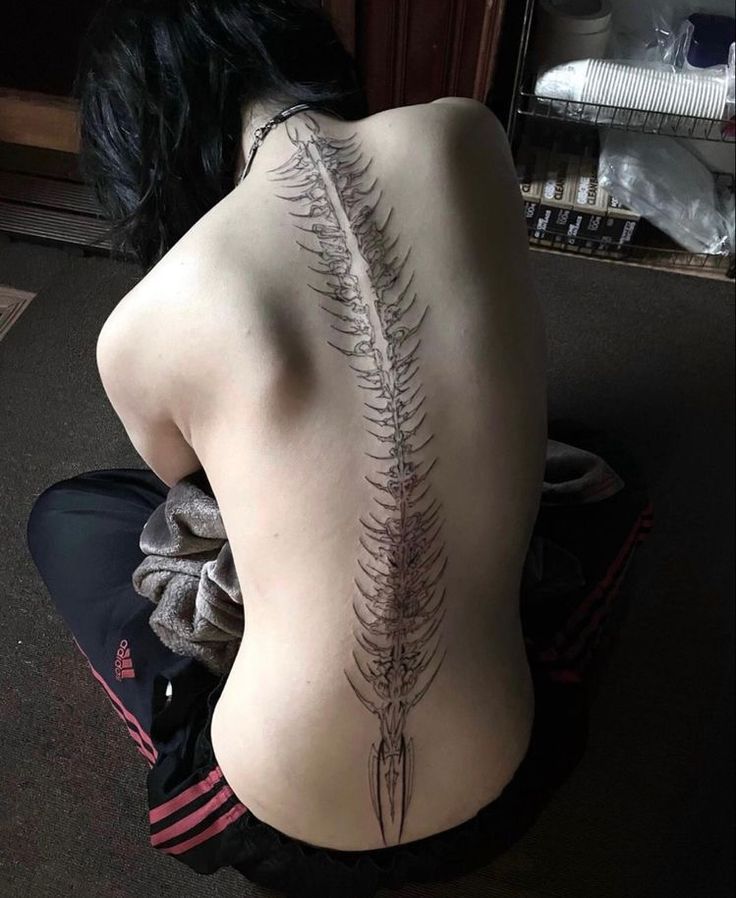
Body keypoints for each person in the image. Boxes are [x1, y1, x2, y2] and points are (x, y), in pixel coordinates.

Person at [24, 2, 650, 896]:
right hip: (517, 764)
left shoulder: (143, 323)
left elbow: (192, 503)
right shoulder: (468, 136)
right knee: (591, 457)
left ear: (140, 149)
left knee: (73, 515)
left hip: (276, 824)